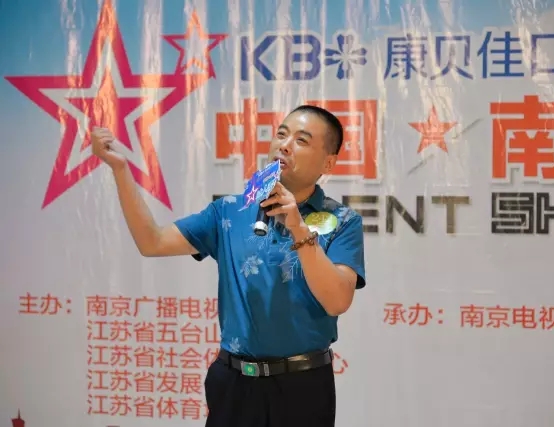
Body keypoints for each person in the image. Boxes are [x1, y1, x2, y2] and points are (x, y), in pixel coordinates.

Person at [90, 104, 366, 427]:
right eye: (281, 134)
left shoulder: (342, 220)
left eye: (301, 140)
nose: (285, 145)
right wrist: (120, 170)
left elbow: (338, 300)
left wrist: (298, 227)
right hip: (235, 383)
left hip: (302, 386)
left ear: (328, 163)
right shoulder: (231, 211)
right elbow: (152, 241)